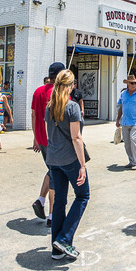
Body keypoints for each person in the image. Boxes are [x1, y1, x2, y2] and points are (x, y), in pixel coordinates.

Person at [45, 69, 89, 260]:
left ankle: (57, 249)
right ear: (71, 86)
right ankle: (64, 238)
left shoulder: (50, 106)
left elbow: (49, 135)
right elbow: (76, 138)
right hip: (70, 159)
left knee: (60, 202)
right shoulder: (72, 107)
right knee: (83, 196)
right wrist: (82, 165)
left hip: (54, 159)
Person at [31, 64, 64, 225]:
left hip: (42, 140)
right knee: (56, 177)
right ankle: (52, 215)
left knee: (51, 171)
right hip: (56, 142)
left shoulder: (38, 91)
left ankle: (40, 200)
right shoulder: (59, 94)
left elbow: (34, 115)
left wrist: (35, 137)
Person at [116, 75, 136, 169]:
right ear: (127, 84)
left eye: (135, 83)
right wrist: (118, 119)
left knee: (134, 139)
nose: (134, 85)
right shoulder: (123, 94)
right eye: (132, 83)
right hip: (125, 122)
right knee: (127, 143)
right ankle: (131, 161)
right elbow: (121, 107)